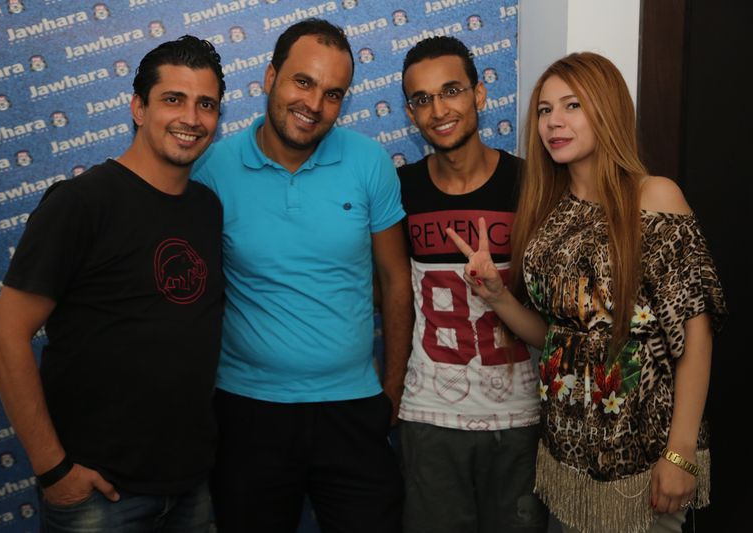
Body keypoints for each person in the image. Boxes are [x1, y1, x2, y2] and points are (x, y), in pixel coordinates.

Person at [445, 52, 727, 533]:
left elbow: (695, 335)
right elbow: (557, 337)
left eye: (572, 105)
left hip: (644, 459)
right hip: (567, 457)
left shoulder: (654, 197)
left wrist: (680, 454)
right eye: (545, 109)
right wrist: (497, 296)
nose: (553, 121)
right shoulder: (550, 211)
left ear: (607, 110)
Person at [0, 35, 226, 532]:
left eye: (206, 104)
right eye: (173, 99)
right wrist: (54, 471)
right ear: (138, 108)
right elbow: (3, 336)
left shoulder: (206, 207)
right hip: (99, 495)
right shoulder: (81, 203)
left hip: (192, 486)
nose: (191, 118)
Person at [191, 18, 412, 533]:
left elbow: (396, 279)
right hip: (248, 412)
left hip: (353, 408)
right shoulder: (213, 168)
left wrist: (393, 388)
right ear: (270, 77)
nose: (314, 104)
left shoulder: (369, 162)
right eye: (303, 82)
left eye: (333, 94)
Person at [397, 36, 548, 533]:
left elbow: (558, 318)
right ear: (410, 113)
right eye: (422, 99)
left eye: (451, 91)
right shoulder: (401, 189)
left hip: (519, 419)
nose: (439, 109)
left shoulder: (530, 184)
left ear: (479, 94)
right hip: (430, 417)